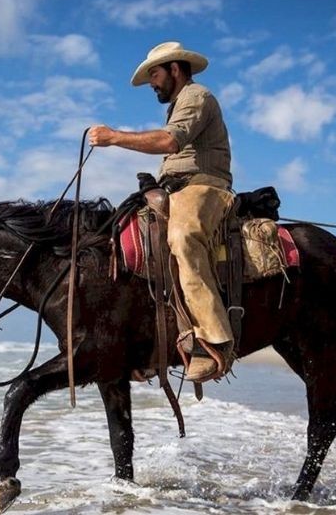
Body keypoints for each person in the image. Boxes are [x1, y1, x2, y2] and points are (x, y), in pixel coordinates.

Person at [88, 41, 235, 383]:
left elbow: (170, 143)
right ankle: (152, 341)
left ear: (175, 69)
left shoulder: (198, 97)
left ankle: (214, 341)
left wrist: (113, 138)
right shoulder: (177, 105)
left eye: (154, 73)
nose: (152, 82)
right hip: (174, 188)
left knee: (183, 238)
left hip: (204, 186)